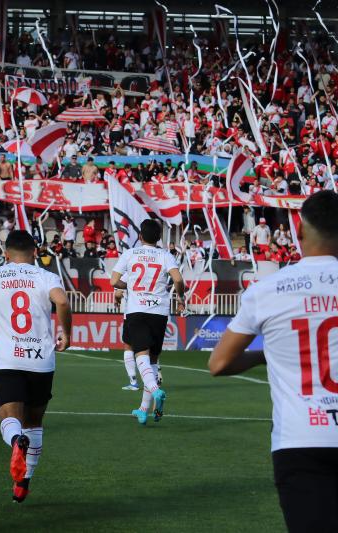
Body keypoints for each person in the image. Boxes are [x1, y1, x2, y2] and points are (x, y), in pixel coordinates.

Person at [209, 190, 338, 533]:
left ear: (298, 232)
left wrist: (265, 355)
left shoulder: (268, 290)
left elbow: (218, 364)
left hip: (300, 438)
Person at [0, 230, 71, 503]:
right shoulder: (46, 277)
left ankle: (15, 442)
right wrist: (66, 333)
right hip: (40, 359)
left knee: (9, 418)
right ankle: (23, 483)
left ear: (5, 254)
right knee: (34, 423)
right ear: (35, 253)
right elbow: (61, 300)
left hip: (7, 359)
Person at [110, 219, 186, 425]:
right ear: (159, 237)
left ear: (140, 237)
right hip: (160, 312)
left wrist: (129, 285)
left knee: (140, 355)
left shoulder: (130, 254)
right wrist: (180, 298)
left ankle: (155, 390)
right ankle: (143, 410)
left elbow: (114, 281)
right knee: (152, 361)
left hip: (137, 310)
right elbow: (178, 280)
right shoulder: (165, 255)